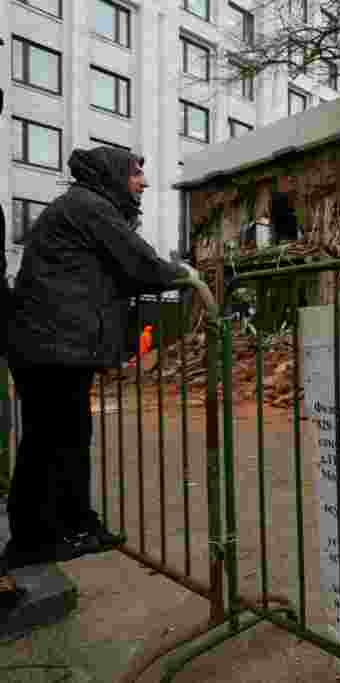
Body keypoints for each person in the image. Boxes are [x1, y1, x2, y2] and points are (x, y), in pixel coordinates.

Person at [1, 146, 200, 570]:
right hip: (52, 348)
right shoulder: (90, 207)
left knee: (64, 439)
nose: (143, 182)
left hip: (53, 346)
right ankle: (35, 540)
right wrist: (185, 274)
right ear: (113, 174)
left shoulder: (85, 206)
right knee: (52, 442)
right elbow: (141, 264)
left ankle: (73, 525)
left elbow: (116, 273)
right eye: (136, 174)